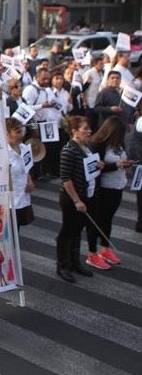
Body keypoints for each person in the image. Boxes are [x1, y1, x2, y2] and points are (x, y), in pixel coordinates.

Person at [55, 116, 99, 283]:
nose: (89, 131)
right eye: (85, 129)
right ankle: (62, 265)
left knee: (77, 230)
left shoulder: (87, 146)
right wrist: (76, 200)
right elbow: (66, 179)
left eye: (89, 128)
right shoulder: (69, 150)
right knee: (67, 231)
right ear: (74, 131)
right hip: (72, 199)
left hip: (87, 193)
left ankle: (74, 262)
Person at [88, 117, 133, 270]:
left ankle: (105, 248)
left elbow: (119, 161)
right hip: (103, 188)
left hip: (118, 185)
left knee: (108, 219)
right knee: (97, 221)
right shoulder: (97, 144)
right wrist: (115, 165)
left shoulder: (118, 144)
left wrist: (124, 165)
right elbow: (94, 167)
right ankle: (92, 253)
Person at [5, 119, 35, 230]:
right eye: (17, 132)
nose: (21, 134)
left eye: (21, 130)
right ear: (7, 133)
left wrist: (30, 181)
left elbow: (27, 168)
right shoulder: (3, 153)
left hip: (22, 197)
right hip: (8, 202)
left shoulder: (24, 148)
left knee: (16, 230)